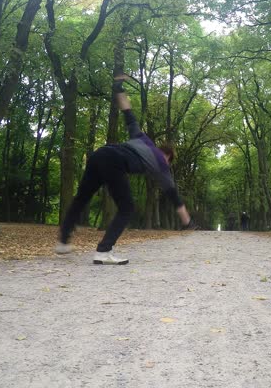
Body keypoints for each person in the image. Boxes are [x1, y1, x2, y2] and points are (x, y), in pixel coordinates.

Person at [55, 75, 195, 264]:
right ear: (168, 157)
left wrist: (118, 87)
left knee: (81, 198)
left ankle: (63, 241)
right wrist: (187, 222)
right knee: (127, 207)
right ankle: (103, 251)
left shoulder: (141, 137)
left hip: (100, 154)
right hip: (115, 161)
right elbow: (173, 196)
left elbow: (128, 112)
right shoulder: (162, 164)